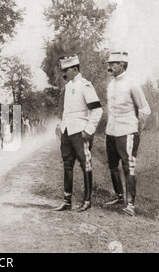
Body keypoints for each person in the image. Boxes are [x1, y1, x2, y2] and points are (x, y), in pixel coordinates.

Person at [52, 54, 103, 212]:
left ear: (75, 69)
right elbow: (67, 110)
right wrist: (61, 127)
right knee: (67, 164)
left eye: (66, 70)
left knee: (85, 164)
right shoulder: (68, 86)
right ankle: (67, 201)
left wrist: (89, 130)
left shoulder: (85, 85)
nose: (63, 74)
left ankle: (87, 201)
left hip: (80, 131)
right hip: (67, 131)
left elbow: (97, 110)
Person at [104, 52, 151, 216]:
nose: (110, 67)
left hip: (127, 131)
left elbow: (145, 108)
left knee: (128, 167)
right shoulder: (110, 85)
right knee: (112, 165)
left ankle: (130, 205)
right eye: (109, 63)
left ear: (123, 65)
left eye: (114, 64)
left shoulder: (132, 84)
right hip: (111, 131)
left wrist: (137, 129)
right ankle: (119, 196)